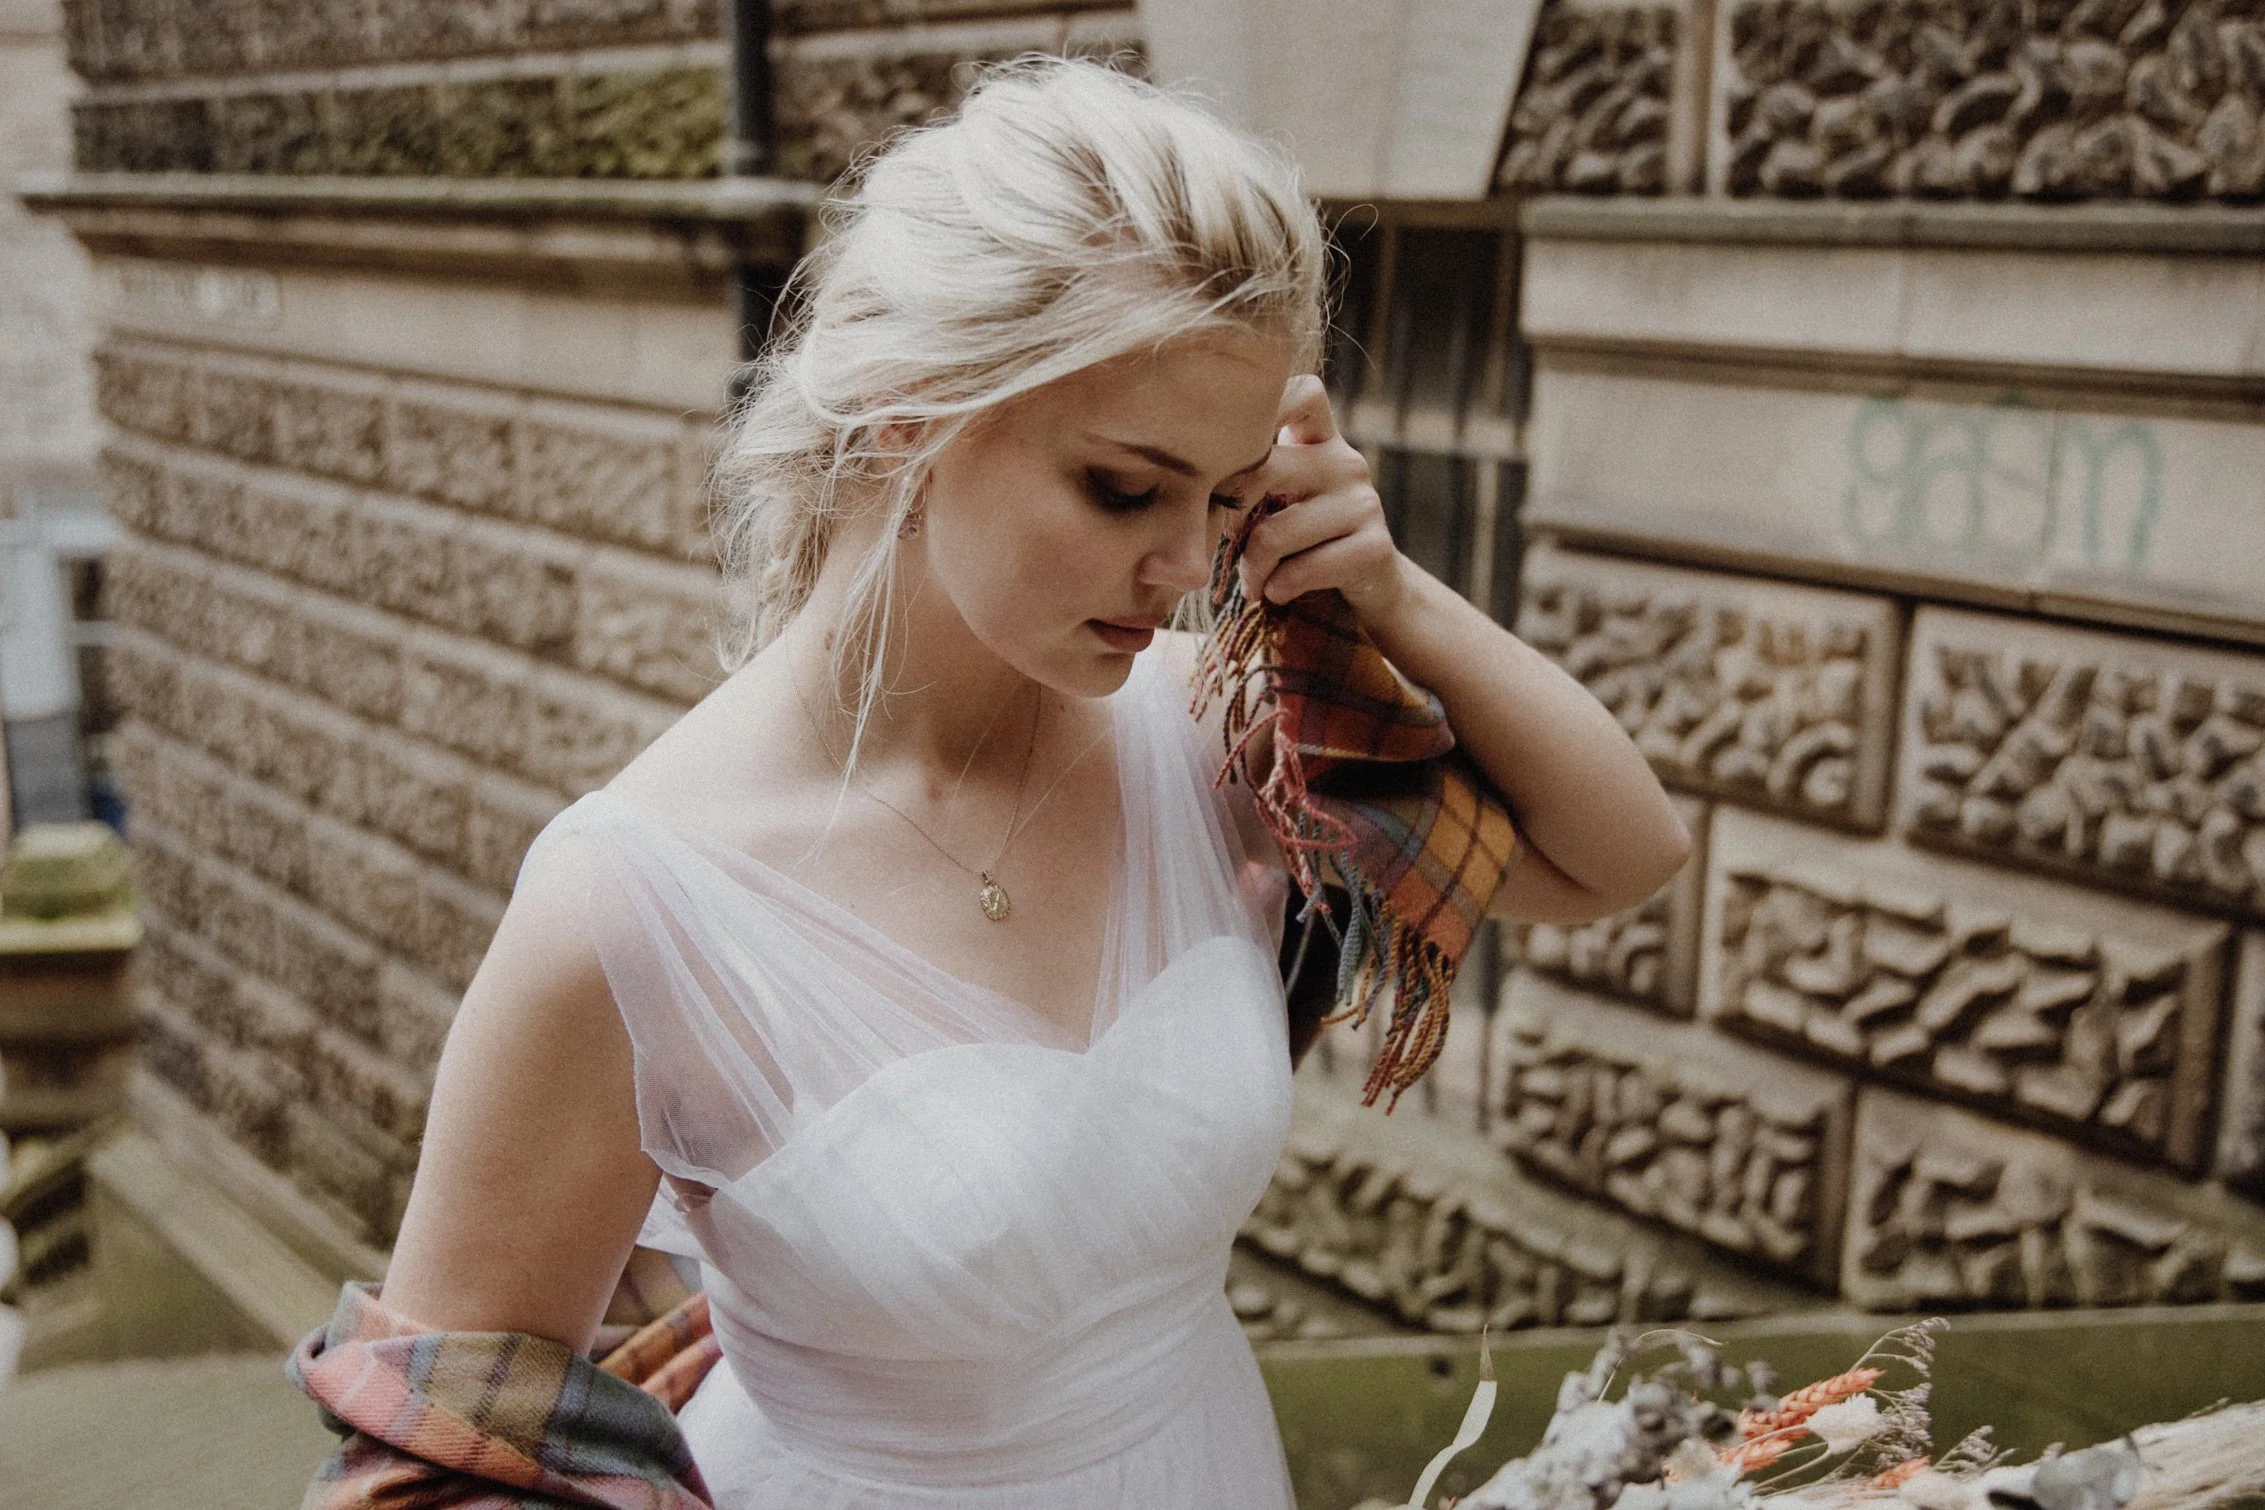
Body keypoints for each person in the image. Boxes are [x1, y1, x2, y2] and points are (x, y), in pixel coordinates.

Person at [362, 57, 1690, 1510]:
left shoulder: (1209, 737)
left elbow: (1611, 857)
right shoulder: (629, 899)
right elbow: (440, 1466)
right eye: (1128, 488)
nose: (1191, 566)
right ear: (909, 413)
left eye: (1230, 498)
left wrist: (1386, 585)